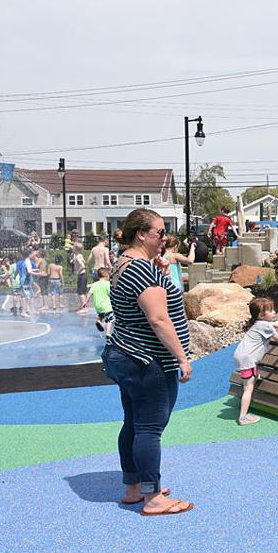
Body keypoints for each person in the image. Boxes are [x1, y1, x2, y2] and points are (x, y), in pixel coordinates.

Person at [103, 208, 193, 516]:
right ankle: (152, 498)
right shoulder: (141, 269)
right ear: (141, 234)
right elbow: (158, 318)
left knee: (134, 423)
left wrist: (162, 275)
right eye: (159, 232)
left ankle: (133, 488)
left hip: (125, 353)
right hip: (147, 360)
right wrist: (182, 357)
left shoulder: (122, 263)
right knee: (150, 428)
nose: (164, 238)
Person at [232, 297, 278, 425]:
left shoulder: (258, 323)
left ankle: (253, 376)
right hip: (247, 360)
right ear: (261, 314)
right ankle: (243, 417)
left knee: (249, 380)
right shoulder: (264, 325)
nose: (274, 312)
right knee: (248, 388)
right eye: (271, 310)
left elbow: (276, 323)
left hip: (240, 356)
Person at [83, 267, 114, 336]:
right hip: (106, 306)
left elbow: (89, 293)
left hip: (97, 306)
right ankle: (108, 333)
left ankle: (99, 321)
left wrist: (86, 301)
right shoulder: (107, 284)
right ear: (106, 275)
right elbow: (110, 293)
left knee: (101, 315)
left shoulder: (94, 284)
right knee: (110, 318)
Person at [73, 242, 88, 312]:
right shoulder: (80, 255)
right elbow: (85, 263)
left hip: (81, 275)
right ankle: (83, 306)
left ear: (76, 249)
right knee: (83, 292)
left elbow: (83, 265)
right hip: (84, 275)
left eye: (73, 247)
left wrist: (77, 272)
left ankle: (84, 308)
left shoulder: (77, 256)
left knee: (81, 292)